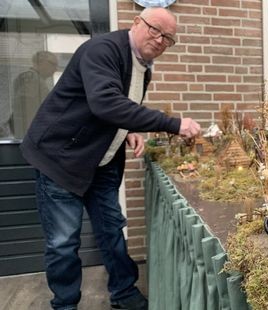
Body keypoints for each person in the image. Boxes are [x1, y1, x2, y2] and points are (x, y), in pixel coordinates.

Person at [19, 7, 200, 310]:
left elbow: (116, 107)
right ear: (136, 22)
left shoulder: (143, 65)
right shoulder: (102, 50)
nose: (159, 39)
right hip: (60, 158)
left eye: (167, 37)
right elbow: (105, 103)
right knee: (63, 242)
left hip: (101, 162)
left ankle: (124, 293)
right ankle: (65, 304)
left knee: (112, 230)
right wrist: (174, 123)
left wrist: (128, 129)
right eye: (154, 29)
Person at [11, 51, 58, 138]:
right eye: (53, 64)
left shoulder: (37, 79)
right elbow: (29, 109)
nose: (56, 69)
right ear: (40, 62)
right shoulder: (31, 78)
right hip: (30, 133)